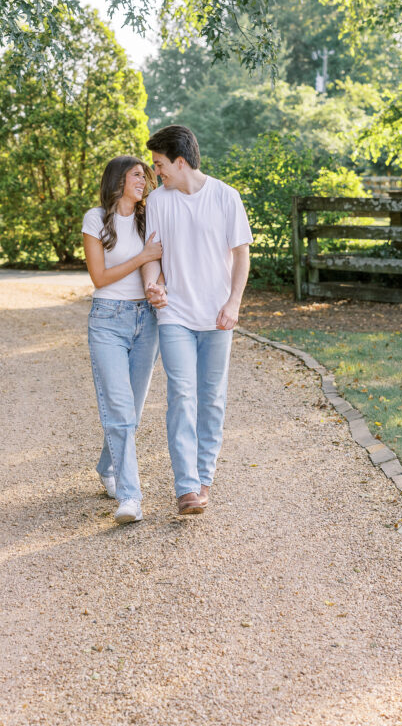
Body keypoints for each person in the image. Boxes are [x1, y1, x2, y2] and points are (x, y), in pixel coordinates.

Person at [141, 125, 252, 515]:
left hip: (217, 316)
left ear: (180, 161)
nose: (157, 173)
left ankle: (205, 478)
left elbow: (241, 255)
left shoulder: (225, 197)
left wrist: (234, 303)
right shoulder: (158, 201)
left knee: (212, 399)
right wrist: (153, 286)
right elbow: (152, 254)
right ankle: (187, 487)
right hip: (174, 315)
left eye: (159, 164)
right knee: (182, 396)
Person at [82, 155, 164, 525]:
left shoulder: (150, 218)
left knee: (131, 412)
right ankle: (131, 497)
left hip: (146, 320)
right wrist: (143, 256)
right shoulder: (96, 219)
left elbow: (158, 264)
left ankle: (106, 466)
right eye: (136, 176)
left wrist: (154, 284)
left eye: (145, 177)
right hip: (107, 321)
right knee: (118, 409)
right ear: (118, 180)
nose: (143, 182)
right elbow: (99, 277)